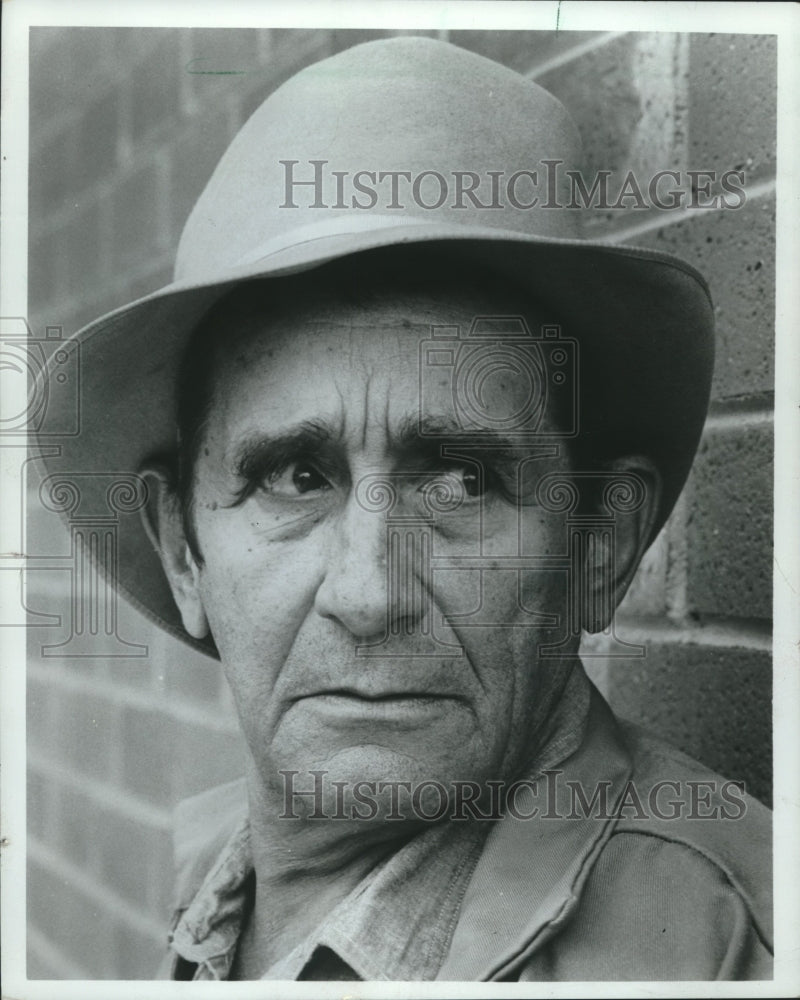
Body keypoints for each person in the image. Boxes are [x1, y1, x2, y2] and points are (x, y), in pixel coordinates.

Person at [43, 36, 771, 981]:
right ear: (184, 551)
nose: (370, 592)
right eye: (296, 478)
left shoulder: (728, 954)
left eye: (462, 480)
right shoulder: (194, 877)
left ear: (598, 545)